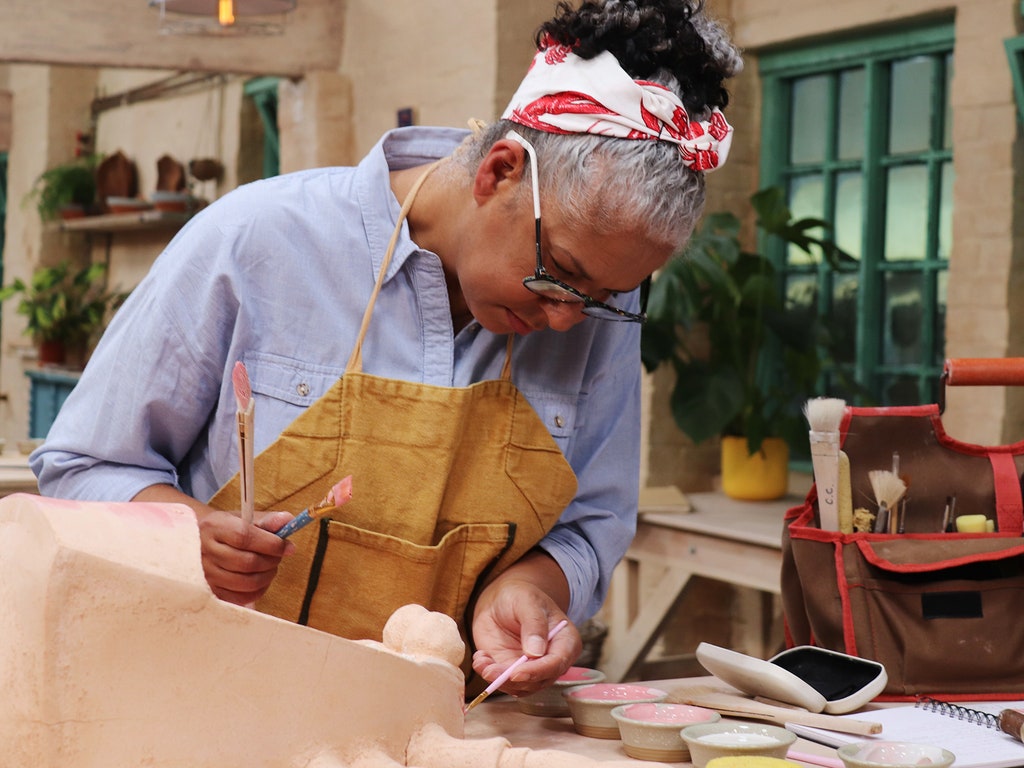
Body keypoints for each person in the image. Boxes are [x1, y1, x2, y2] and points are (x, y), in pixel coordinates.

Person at [32, 0, 742, 697]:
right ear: (498, 172)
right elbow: (84, 464)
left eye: (603, 299)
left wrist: (533, 587)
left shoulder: (595, 310)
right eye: (557, 274)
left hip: (444, 729)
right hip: (218, 706)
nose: (566, 322)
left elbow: (593, 523)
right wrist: (186, 534)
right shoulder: (254, 244)